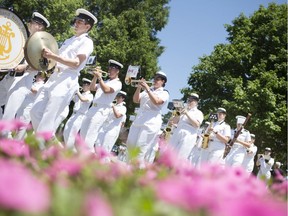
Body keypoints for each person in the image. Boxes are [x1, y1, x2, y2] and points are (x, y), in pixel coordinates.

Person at [30, 8, 97, 149]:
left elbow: (76, 63)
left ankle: (41, 154)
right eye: (76, 21)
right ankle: (53, 143)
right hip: (55, 77)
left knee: (48, 119)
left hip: (67, 79)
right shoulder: (69, 40)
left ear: (87, 26)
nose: (76, 24)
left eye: (80, 22)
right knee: (34, 111)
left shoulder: (87, 42)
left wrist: (53, 56)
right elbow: (56, 60)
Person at [0, 12, 50, 121]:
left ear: (41, 27)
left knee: (9, 113)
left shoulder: (42, 45)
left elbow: (42, 65)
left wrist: (25, 67)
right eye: (31, 22)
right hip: (9, 76)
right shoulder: (21, 37)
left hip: (23, 79)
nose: (30, 24)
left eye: (34, 23)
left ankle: (4, 133)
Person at [126, 71, 169, 165]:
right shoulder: (146, 90)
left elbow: (157, 101)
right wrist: (138, 88)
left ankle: (136, 175)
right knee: (130, 147)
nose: (155, 80)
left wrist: (147, 88)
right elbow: (136, 100)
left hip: (151, 122)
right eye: (154, 78)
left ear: (163, 81)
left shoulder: (164, 93)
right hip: (139, 120)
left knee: (140, 150)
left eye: (157, 79)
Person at [80, 60, 123, 152]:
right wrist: (95, 77)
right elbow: (92, 88)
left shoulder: (118, 83)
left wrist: (100, 78)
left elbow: (107, 90)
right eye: (109, 68)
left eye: (113, 68)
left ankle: (86, 158)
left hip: (102, 110)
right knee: (82, 134)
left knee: (90, 135)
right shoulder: (106, 80)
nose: (110, 70)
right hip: (93, 108)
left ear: (117, 71)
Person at [168, 93, 204, 161]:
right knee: (170, 152)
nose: (189, 102)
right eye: (189, 100)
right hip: (178, 131)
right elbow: (173, 121)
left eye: (192, 100)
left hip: (189, 134)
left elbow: (197, 125)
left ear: (196, 102)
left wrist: (187, 113)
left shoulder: (198, 113)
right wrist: (179, 113)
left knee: (181, 156)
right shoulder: (183, 109)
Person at [63, 78, 93, 151]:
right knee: (65, 133)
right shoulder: (81, 94)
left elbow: (83, 99)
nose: (83, 85)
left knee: (71, 135)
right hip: (73, 114)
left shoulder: (90, 95)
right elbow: (73, 99)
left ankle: (68, 153)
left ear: (89, 86)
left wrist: (77, 91)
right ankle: (72, 152)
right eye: (83, 84)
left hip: (80, 116)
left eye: (86, 84)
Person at [14, 72, 46, 140]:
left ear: (44, 77)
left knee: (23, 124)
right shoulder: (34, 83)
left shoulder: (42, 85)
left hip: (29, 107)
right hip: (22, 105)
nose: (38, 76)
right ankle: (20, 141)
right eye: (38, 74)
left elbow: (35, 91)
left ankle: (17, 141)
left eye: (40, 75)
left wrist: (27, 84)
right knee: (18, 123)